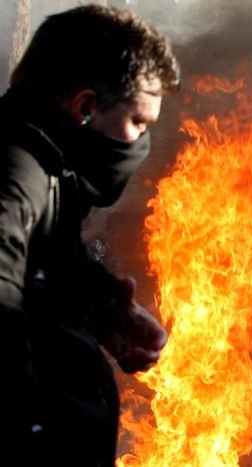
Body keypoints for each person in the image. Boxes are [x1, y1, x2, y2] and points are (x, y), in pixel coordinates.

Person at [0, 5, 179, 465]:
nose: (141, 142)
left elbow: (42, 264)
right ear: (84, 107)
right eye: (139, 123)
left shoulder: (46, 173)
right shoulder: (16, 180)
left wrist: (98, 306)